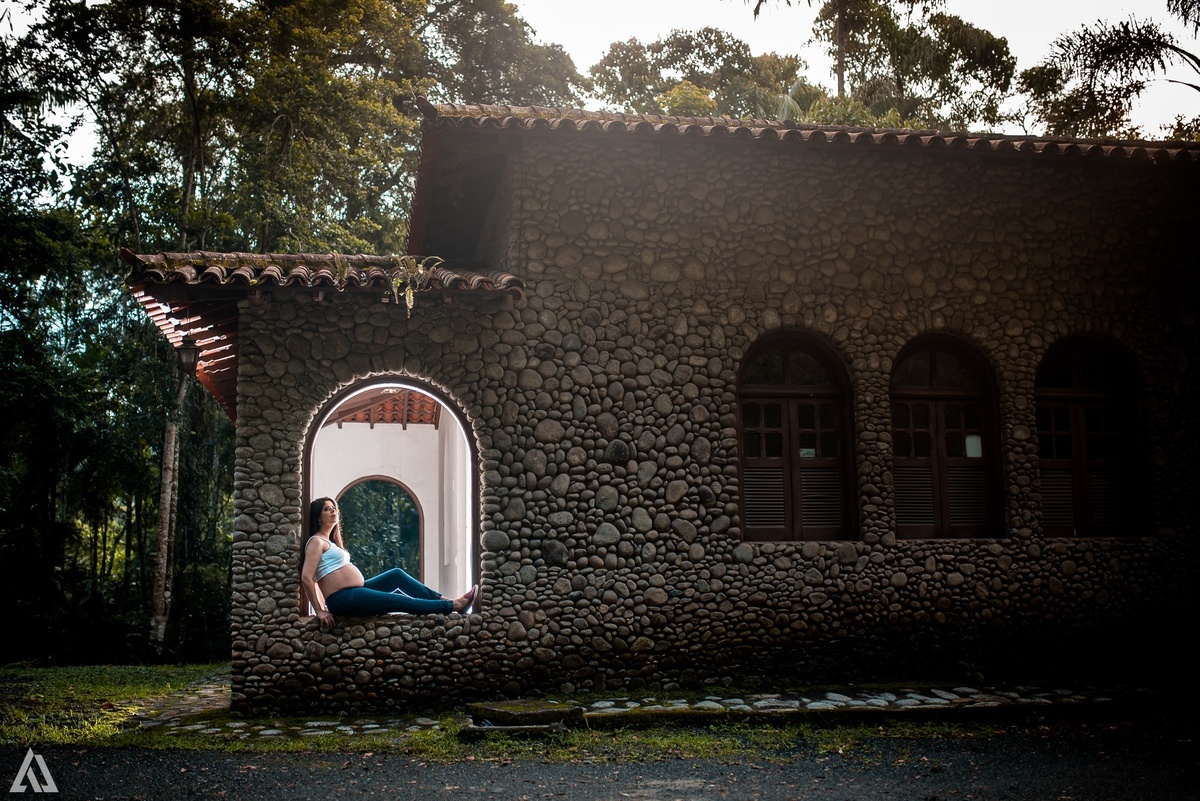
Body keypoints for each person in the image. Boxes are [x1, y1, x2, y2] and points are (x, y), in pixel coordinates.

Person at [300, 496, 478, 631]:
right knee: (398, 600)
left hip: (353, 592)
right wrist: (320, 610)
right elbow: (308, 578)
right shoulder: (316, 542)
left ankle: (447, 601)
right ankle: (453, 606)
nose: (333, 511)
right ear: (318, 517)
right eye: (326, 509)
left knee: (396, 575)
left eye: (334, 508)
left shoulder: (331, 542)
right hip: (342, 599)